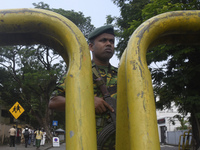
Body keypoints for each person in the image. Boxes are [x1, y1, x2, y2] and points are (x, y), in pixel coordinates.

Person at [49, 25, 117, 149]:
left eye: (111, 41)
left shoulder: (123, 74)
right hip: (85, 144)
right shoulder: (78, 72)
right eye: (103, 40)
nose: (109, 44)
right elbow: (54, 102)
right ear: (91, 47)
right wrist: (88, 103)